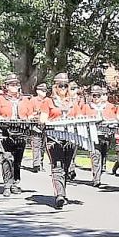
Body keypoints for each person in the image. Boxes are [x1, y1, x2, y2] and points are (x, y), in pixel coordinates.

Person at [41, 72, 80, 209]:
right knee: (57, 166)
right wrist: (49, 122)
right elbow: (43, 119)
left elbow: (79, 118)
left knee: (67, 168)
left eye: (65, 85)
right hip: (54, 138)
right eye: (60, 85)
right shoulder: (48, 101)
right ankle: (60, 195)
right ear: (55, 87)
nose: (63, 88)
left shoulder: (73, 102)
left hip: (70, 139)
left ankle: (63, 191)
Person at [0, 73, 31, 197]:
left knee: (17, 160)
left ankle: (15, 183)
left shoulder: (24, 100)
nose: (14, 86)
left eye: (16, 84)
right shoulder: (0, 99)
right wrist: (2, 119)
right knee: (7, 158)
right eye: (11, 84)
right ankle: (7, 184)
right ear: (6, 86)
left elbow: (30, 114)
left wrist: (29, 119)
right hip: (5, 132)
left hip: (20, 132)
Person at [79, 84, 116, 187]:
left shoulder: (109, 107)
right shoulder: (87, 107)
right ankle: (96, 179)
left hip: (105, 135)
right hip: (93, 135)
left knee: (103, 155)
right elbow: (82, 119)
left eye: (98, 96)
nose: (96, 98)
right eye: (94, 96)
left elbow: (114, 119)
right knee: (95, 155)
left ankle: (101, 169)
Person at [27, 83, 48, 172]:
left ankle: (41, 163)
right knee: (36, 145)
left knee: (43, 146)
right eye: (42, 91)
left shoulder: (48, 100)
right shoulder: (33, 100)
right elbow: (29, 114)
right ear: (37, 91)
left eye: (45, 91)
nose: (44, 93)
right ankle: (36, 164)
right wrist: (37, 115)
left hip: (46, 126)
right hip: (35, 125)